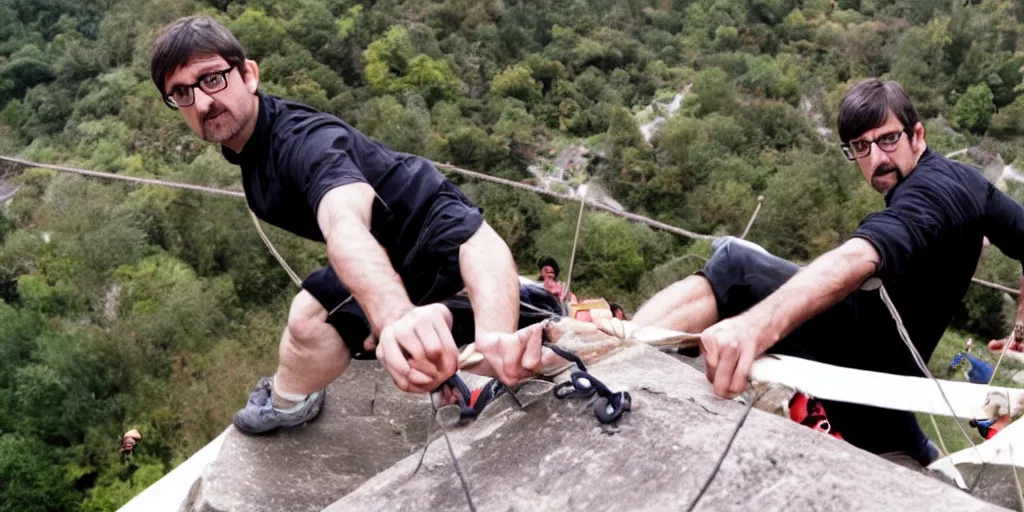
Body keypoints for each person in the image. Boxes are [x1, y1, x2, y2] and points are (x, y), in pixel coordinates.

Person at [148, 16, 560, 435]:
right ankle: (290, 403)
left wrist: (395, 317)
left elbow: (344, 221)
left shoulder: (303, 142)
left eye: (212, 79)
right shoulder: (250, 148)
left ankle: (521, 308)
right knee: (308, 320)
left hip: (429, 221)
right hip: (386, 250)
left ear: (248, 75)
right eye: (181, 93)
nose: (201, 103)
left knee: (496, 355)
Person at [633, 78, 1024, 466]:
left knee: (737, 265)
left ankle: (622, 354)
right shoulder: (970, 181)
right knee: (751, 261)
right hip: (892, 366)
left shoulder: (928, 194)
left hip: (868, 363)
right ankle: (907, 446)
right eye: (860, 147)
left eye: (888, 139)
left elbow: (859, 257)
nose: (876, 159)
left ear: (916, 135)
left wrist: (754, 327)